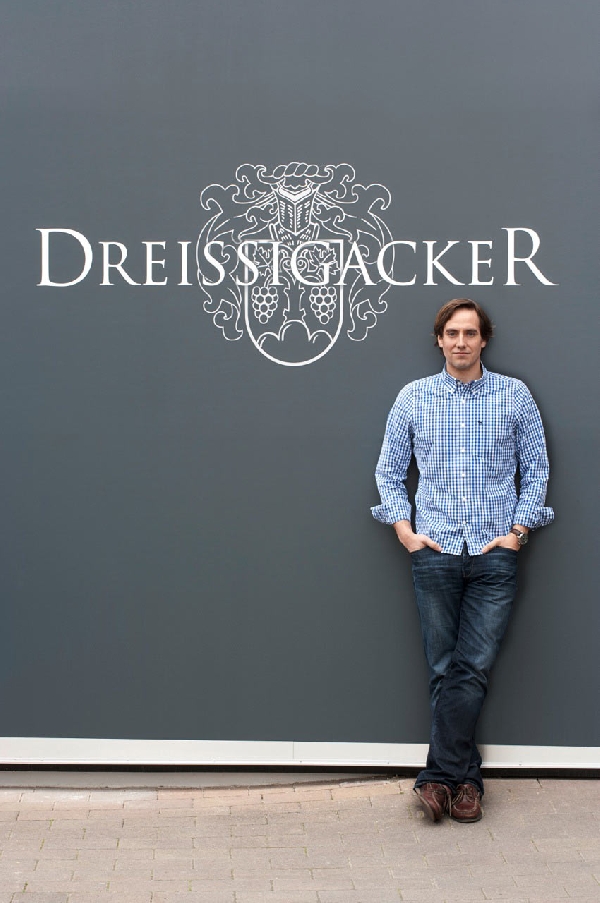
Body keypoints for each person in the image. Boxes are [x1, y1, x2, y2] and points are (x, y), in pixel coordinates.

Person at [372, 298, 553, 823]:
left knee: (470, 667)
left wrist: (517, 532)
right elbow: (388, 472)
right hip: (435, 551)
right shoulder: (414, 397)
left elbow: (536, 470)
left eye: (470, 333)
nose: (460, 342)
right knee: (442, 670)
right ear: (439, 339)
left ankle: (437, 778)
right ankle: (466, 784)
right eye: (452, 332)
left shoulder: (514, 395)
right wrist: (405, 531)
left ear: (483, 339)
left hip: (495, 554)